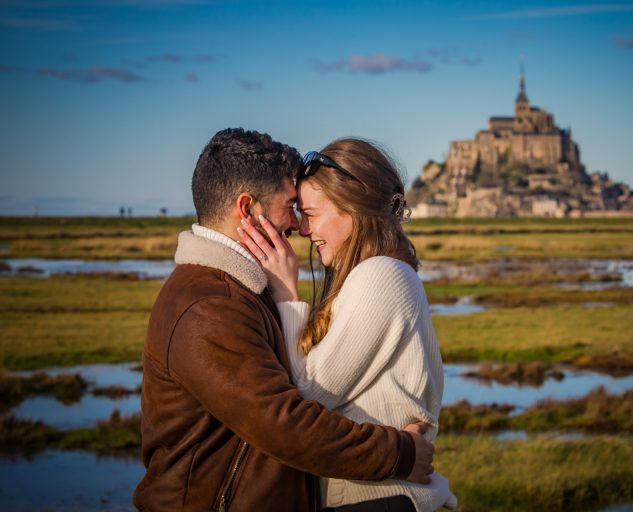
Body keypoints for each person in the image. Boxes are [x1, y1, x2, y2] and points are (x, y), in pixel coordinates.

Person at [133, 128, 435, 512]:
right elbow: (285, 424)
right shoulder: (209, 306)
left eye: (305, 212)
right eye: (291, 207)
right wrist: (400, 454)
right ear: (247, 209)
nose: (297, 226)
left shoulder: (241, 290)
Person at [238, 138, 457, 512]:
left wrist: (287, 292)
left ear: (353, 210)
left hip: (377, 499)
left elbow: (308, 395)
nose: (303, 229)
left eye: (311, 213)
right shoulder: (368, 277)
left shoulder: (381, 275)